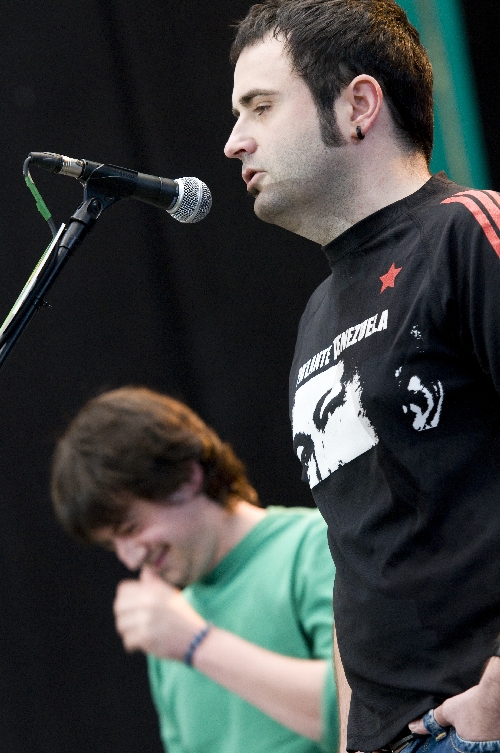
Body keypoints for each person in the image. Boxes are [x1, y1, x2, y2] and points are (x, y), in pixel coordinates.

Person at [224, 1, 500, 752]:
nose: (233, 141)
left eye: (260, 106)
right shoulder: (317, 314)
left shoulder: (466, 231)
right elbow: (357, 557)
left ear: (358, 106)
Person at [51, 386, 338, 753]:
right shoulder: (171, 622)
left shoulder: (315, 547)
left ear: (186, 478)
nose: (130, 559)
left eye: (131, 528)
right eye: (112, 544)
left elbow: (363, 714)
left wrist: (196, 644)